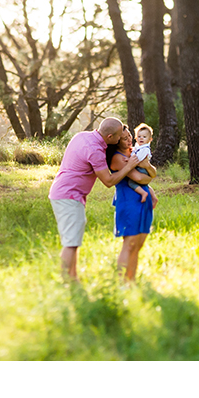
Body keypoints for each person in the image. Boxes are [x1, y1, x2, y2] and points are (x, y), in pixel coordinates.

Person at [48, 117, 140, 281]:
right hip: (68, 195)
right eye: (119, 136)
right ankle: (66, 282)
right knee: (70, 242)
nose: (120, 139)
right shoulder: (95, 150)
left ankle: (73, 279)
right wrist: (129, 166)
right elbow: (108, 181)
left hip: (65, 193)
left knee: (73, 240)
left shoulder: (82, 136)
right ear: (110, 137)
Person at [108, 125, 157, 281]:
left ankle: (131, 281)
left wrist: (148, 168)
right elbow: (142, 178)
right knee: (129, 244)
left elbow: (151, 173)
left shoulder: (134, 152)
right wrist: (148, 174)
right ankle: (121, 282)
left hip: (143, 202)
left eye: (129, 136)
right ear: (116, 141)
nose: (130, 139)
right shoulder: (117, 158)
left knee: (137, 246)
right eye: (124, 138)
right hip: (129, 203)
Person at [123, 123, 156, 204]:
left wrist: (129, 159)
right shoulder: (139, 146)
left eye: (144, 137)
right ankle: (153, 197)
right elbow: (136, 150)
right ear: (136, 137)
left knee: (131, 182)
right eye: (139, 136)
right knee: (146, 185)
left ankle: (143, 193)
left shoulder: (145, 149)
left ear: (150, 139)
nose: (141, 138)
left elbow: (138, 159)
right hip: (142, 168)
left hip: (142, 169)